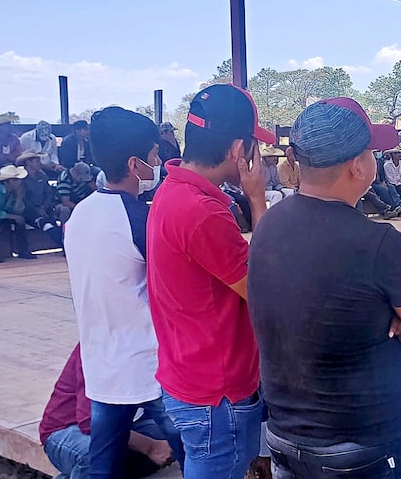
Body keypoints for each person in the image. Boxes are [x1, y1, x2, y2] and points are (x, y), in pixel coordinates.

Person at [247, 96, 401, 479]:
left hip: (286, 436)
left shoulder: (268, 225)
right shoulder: (379, 243)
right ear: (358, 165)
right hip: (361, 446)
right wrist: (392, 319)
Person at [147, 84, 274, 479]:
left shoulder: (173, 191)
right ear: (239, 150)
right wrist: (257, 199)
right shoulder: (204, 212)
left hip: (188, 375)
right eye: (254, 147)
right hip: (217, 393)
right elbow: (266, 288)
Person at [63, 106, 184, 479]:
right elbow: (177, 284)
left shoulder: (80, 213)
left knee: (105, 463)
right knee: (195, 455)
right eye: (153, 157)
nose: (158, 163)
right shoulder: (138, 218)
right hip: (147, 364)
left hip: (101, 363)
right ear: (135, 165)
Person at [40, 344, 176, 479]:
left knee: (178, 435)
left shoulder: (152, 341)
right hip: (68, 429)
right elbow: (90, 422)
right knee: (93, 454)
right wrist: (151, 447)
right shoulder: (99, 346)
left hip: (127, 424)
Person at [0, 164, 36, 260]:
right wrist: (13, 217)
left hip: (2, 214)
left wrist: (19, 197)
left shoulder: (15, 191)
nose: (19, 182)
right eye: (15, 180)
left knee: (20, 221)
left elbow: (18, 210)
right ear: (6, 182)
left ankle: (23, 250)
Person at [16, 152, 63, 247]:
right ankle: (64, 244)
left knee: (52, 222)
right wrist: (37, 210)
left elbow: (48, 193)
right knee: (45, 224)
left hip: (44, 208)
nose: (40, 163)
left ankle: (64, 243)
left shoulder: (43, 175)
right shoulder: (21, 178)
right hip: (28, 210)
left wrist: (44, 206)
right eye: (37, 161)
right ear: (29, 162)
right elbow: (23, 199)